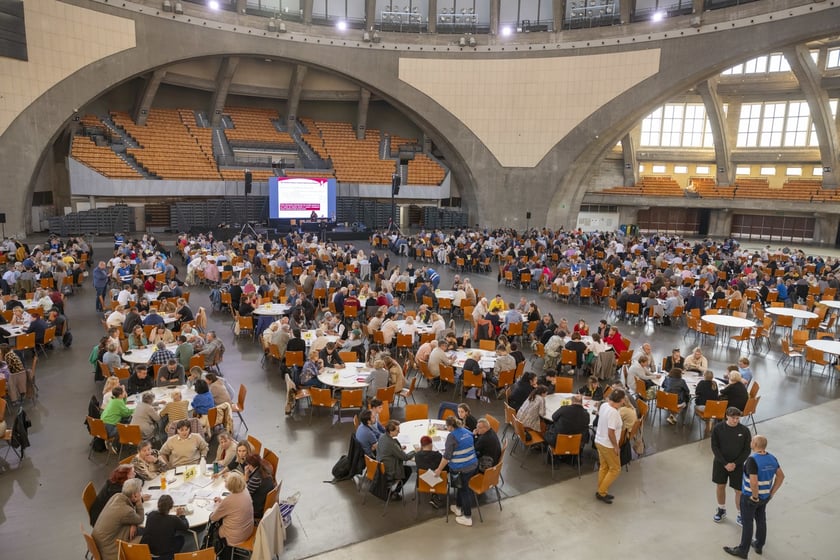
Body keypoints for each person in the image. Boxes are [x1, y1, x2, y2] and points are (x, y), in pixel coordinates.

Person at [723, 435, 785, 558]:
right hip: (765, 497)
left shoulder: (752, 460)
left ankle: (743, 550)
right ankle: (759, 544)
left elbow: (754, 482)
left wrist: (755, 497)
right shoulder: (772, 458)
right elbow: (781, 476)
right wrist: (771, 493)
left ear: (755, 444)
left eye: (752, 441)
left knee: (747, 522)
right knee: (761, 520)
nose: (750, 442)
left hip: (750, 498)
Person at [434, 416, 478, 527]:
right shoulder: (467, 431)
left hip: (460, 468)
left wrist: (439, 469)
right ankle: (458, 508)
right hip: (473, 465)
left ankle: (467, 517)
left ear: (450, 426)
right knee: (461, 487)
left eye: (446, 426)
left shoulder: (452, 437)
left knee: (464, 491)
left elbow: (446, 457)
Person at [711, 407, 753, 525]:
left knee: (739, 491)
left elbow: (746, 450)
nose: (735, 420)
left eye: (737, 418)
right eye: (733, 418)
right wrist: (725, 463)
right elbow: (715, 447)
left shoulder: (744, 430)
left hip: (737, 465)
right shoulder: (718, 429)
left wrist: (735, 463)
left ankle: (740, 514)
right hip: (720, 464)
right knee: (720, 486)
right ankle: (721, 509)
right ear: (727, 416)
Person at [91, 478, 145, 560]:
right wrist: (139, 502)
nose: (141, 494)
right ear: (134, 496)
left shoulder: (116, 496)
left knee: (137, 529)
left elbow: (127, 514)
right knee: (147, 533)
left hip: (101, 544)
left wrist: (133, 523)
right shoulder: (126, 511)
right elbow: (140, 518)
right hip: (111, 551)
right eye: (140, 492)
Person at [209, 473, 254, 558]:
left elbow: (213, 517)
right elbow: (235, 506)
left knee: (213, 529)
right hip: (248, 529)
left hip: (235, 537)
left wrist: (217, 506)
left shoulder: (229, 500)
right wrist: (222, 502)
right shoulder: (245, 490)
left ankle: (219, 553)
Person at [594, 388, 626, 504]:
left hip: (599, 440)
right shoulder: (614, 413)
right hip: (608, 445)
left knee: (604, 466)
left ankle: (601, 490)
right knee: (615, 469)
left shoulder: (604, 406)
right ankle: (602, 491)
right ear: (621, 400)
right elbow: (611, 432)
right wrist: (616, 446)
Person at [141, 494, 189, 560]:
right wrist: (182, 516)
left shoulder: (151, 515)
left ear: (158, 505)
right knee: (181, 539)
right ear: (171, 506)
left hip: (147, 551)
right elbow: (186, 526)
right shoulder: (173, 519)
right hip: (163, 555)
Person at [376, 420, 415, 499]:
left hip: (381, 467)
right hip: (390, 471)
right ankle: (395, 492)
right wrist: (415, 451)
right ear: (391, 431)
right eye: (397, 430)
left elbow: (390, 450)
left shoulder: (382, 437)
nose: (399, 432)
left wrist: (398, 448)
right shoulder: (392, 444)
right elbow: (405, 457)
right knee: (408, 470)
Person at [414, 435, 445, 508]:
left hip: (422, 482)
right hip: (438, 483)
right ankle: (434, 495)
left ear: (421, 445)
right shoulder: (438, 455)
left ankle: (433, 495)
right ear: (431, 444)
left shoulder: (417, 455)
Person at [244, 453, 275, 519]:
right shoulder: (264, 470)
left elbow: (246, 494)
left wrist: (246, 476)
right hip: (264, 503)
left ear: (250, 465)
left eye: (248, 464)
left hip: (257, 509)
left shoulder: (256, 478)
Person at [695, 369, 720, 435]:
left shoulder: (701, 383)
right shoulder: (714, 384)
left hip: (702, 406)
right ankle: (709, 420)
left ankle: (707, 419)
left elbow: (697, 393)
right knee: (709, 410)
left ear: (704, 376)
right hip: (713, 407)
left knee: (695, 407)